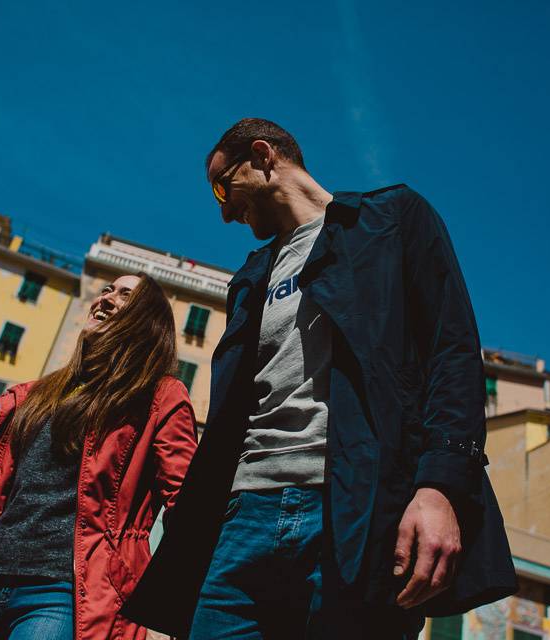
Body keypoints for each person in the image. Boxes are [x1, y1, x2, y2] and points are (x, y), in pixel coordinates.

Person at [121, 119, 517, 639]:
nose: (223, 211)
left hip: (356, 516)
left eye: (222, 186)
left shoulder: (390, 221)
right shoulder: (250, 278)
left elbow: (453, 355)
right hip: (243, 516)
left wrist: (440, 488)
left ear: (263, 156)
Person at [0, 273, 198, 640]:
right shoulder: (36, 396)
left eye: (125, 295)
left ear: (146, 322)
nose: (106, 298)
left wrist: (173, 605)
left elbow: (187, 503)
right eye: (106, 289)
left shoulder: (160, 396)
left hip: (64, 593)